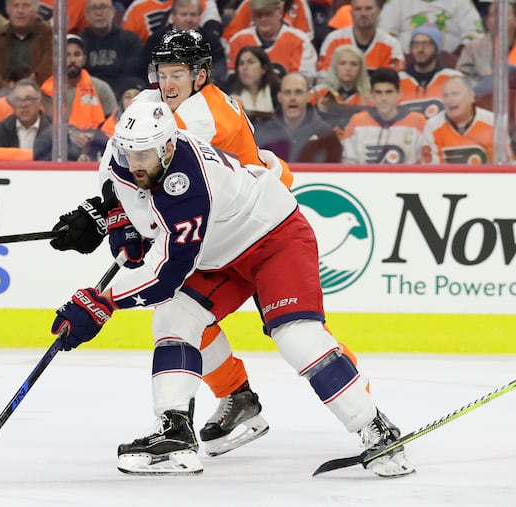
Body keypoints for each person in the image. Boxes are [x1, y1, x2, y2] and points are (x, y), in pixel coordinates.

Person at [51, 99, 415, 478]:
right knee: (174, 318)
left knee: (296, 337)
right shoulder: (122, 155)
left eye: (144, 154)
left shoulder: (189, 184)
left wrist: (103, 302)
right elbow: (118, 195)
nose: (135, 163)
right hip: (216, 252)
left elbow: (165, 277)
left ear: (168, 147)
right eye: (129, 153)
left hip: (274, 238)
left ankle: (375, 428)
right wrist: (122, 225)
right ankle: (174, 433)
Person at [50, 29, 294, 458]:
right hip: (214, 220)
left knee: (295, 327)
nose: (167, 83)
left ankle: (365, 411)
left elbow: (158, 179)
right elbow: (121, 157)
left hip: (251, 224)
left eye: (177, 73)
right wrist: (107, 208)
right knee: (184, 310)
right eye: (162, 72)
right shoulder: (154, 105)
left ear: (200, 75)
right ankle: (230, 400)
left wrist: (114, 218)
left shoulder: (202, 119)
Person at [38, 34, 117, 161]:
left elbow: (114, 123)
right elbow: (44, 128)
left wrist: (94, 139)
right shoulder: (47, 90)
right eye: (67, 55)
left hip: (96, 147)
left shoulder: (101, 88)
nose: (72, 60)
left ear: (84, 59)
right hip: (61, 147)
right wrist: (69, 134)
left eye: (77, 54)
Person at [342, 67, 432, 164]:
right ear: (371, 95)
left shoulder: (418, 122)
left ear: (399, 93)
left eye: (389, 92)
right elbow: (348, 164)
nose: (383, 98)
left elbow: (428, 164)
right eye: (378, 92)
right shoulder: (356, 122)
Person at [422, 75, 513, 164]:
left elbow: (505, 164)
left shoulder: (493, 122)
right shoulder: (431, 127)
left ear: (471, 96)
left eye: (455, 94)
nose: (449, 100)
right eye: (445, 96)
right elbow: (431, 169)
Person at [256, 72, 342, 162]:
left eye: (298, 92)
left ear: (308, 96)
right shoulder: (263, 134)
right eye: (287, 92)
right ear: (279, 97)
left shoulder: (326, 135)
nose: (292, 98)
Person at [226, 0, 317, 83]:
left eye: (268, 14)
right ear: (252, 16)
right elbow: (233, 81)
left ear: (280, 13)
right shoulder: (238, 41)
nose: (263, 19)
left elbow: (304, 81)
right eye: (258, 15)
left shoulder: (300, 41)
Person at [142, 0, 227, 87]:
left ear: (199, 16)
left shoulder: (211, 40)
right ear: (173, 16)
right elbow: (146, 70)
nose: (188, 19)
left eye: (193, 15)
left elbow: (219, 68)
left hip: (202, 89)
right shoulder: (157, 39)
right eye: (183, 14)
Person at [0, 0, 53, 94]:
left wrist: (29, 87)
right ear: (7, 10)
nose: (20, 11)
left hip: (40, 92)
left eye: (26, 5)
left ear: (36, 10)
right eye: (15, 5)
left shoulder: (49, 35)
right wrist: (8, 89)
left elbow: (49, 67)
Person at [317, 0, 404, 78]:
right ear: (351, 13)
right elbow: (323, 75)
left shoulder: (391, 45)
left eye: (368, 9)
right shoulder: (334, 40)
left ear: (378, 11)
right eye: (358, 9)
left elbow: (395, 80)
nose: (363, 14)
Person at [79, 0, 143, 97]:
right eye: (93, 8)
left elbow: (132, 73)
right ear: (86, 14)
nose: (99, 13)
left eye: (103, 7)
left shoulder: (131, 40)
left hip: (122, 94)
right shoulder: (79, 43)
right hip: (88, 94)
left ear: (113, 11)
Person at [398, 25, 463, 119]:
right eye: (416, 44)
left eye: (426, 45)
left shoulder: (453, 78)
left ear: (436, 49)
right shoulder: (397, 79)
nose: (420, 49)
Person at [378, 0, 483, 55]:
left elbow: (475, 35)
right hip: (406, 63)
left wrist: (455, 58)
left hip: (451, 65)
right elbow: (384, 35)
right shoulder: (397, 1)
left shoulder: (461, 1)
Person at [456, 0, 516, 87]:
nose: (498, 20)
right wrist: (481, 82)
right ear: (486, 21)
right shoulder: (473, 48)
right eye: (492, 16)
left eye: (503, 15)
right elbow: (459, 80)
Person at [312, 44, 370, 130]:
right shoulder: (318, 93)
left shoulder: (370, 97)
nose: (348, 68)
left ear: (361, 69)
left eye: (354, 64)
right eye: (342, 63)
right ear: (335, 67)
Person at [0, 78, 50, 158]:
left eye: (29, 99)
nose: (23, 105)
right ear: (12, 105)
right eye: (17, 100)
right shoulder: (1, 130)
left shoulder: (54, 130)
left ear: (40, 102)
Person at [225, 45, 280, 121]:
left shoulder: (276, 91)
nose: (245, 67)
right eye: (241, 63)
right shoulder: (228, 94)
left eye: (250, 62)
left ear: (263, 69)